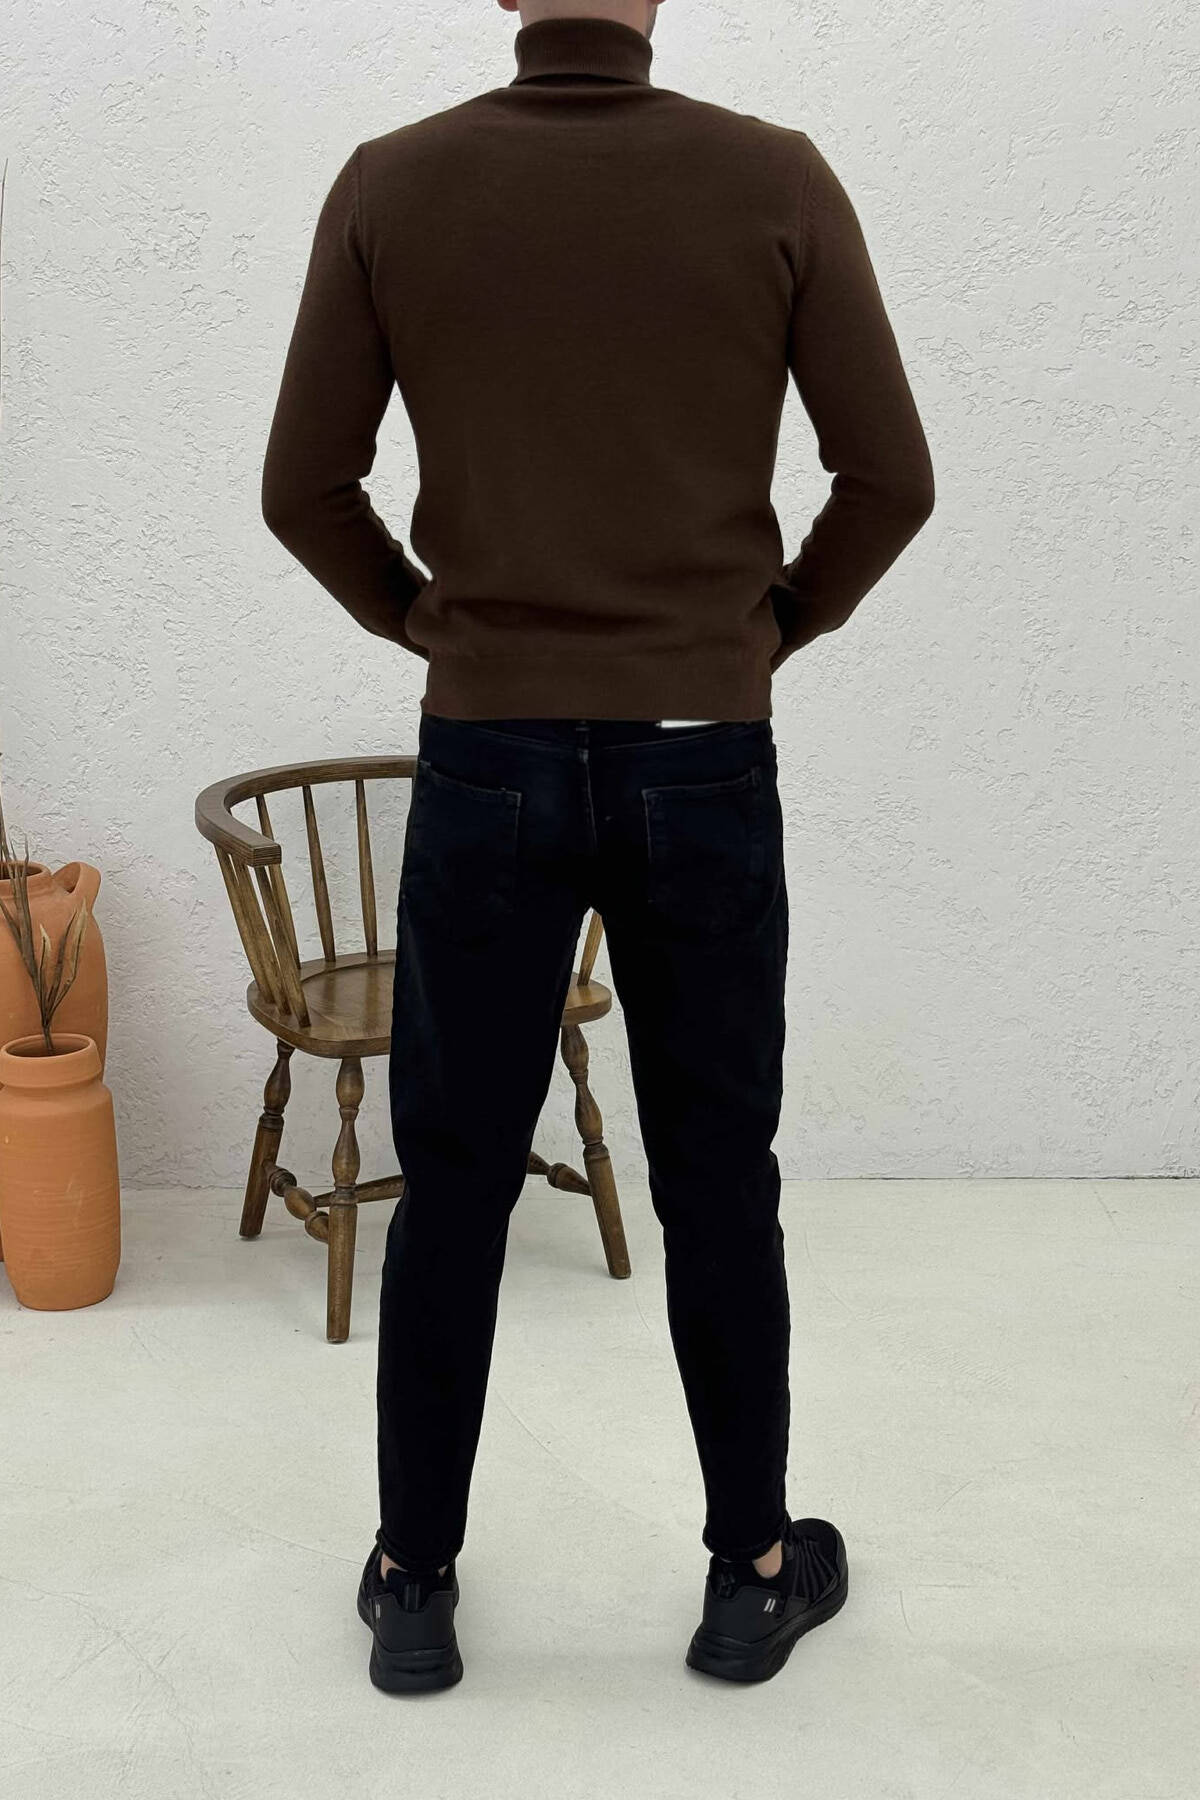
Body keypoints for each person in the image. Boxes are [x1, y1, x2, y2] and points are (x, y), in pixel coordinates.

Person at [261, 0, 934, 1693]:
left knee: (454, 1178)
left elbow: (303, 488)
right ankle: (753, 1575)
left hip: (488, 749)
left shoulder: (392, 183)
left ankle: (415, 1585)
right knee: (719, 1172)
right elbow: (891, 480)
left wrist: (438, 628)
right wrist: (763, 634)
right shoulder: (774, 178)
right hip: (701, 745)